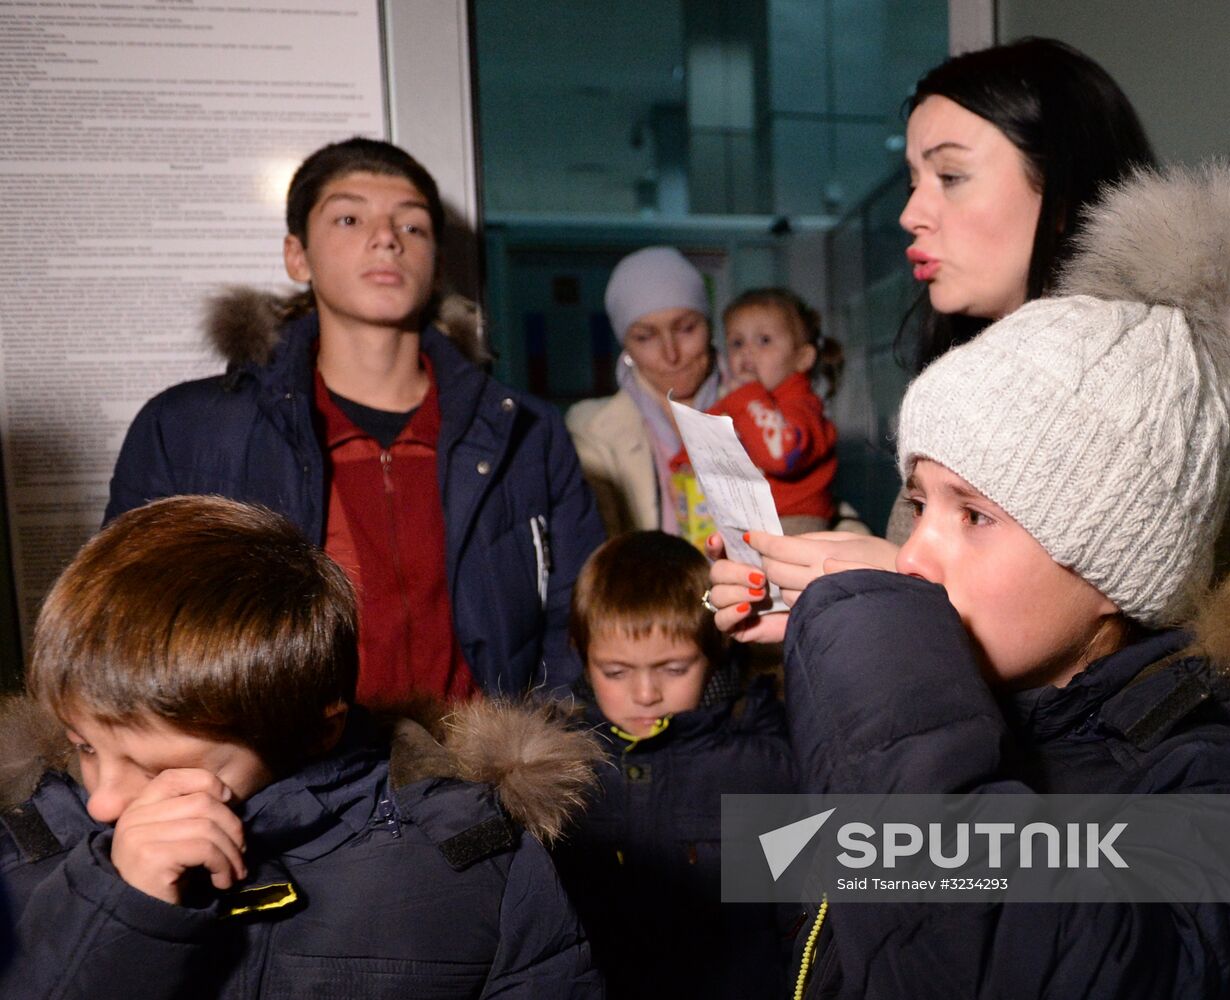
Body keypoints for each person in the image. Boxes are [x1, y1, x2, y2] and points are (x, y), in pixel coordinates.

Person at [773, 164, 1230, 997]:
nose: (912, 558)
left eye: (973, 515)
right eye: (917, 502)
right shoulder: (991, 701)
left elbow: (1019, 961)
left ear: (1114, 566)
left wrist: (879, 661)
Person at [0, 495, 602, 998]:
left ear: (317, 730)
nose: (103, 803)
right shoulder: (27, 856)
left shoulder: (475, 861)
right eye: (84, 746)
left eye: (157, 769)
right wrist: (115, 913)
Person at [105, 137, 603, 701]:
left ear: (436, 263)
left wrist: (538, 763)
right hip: (285, 782)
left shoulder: (525, 432)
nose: (386, 238)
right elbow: (129, 637)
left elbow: (580, 623)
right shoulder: (189, 429)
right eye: (348, 218)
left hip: (481, 778)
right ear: (298, 256)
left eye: (412, 227)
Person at [705, 38, 1159, 633]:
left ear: (1064, 191)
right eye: (914, 180)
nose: (912, 212)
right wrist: (817, 604)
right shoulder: (964, 375)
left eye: (950, 175)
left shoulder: (1162, 398)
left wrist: (888, 580)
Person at [552, 531, 796, 1000]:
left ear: (715, 652)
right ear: (583, 658)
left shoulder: (760, 769)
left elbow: (797, 930)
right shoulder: (554, 775)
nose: (646, 695)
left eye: (674, 668)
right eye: (616, 672)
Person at [567, 247, 720, 549]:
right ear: (625, 347)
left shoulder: (764, 409)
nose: (671, 354)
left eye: (686, 328)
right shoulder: (591, 431)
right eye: (645, 337)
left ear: (710, 327)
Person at [708, 287, 841, 534]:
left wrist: (748, 397)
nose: (746, 351)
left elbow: (780, 456)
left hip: (795, 522)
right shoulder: (739, 401)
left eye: (764, 340)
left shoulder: (803, 406)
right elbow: (701, 436)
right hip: (748, 519)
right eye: (737, 342)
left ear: (802, 358)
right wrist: (682, 465)